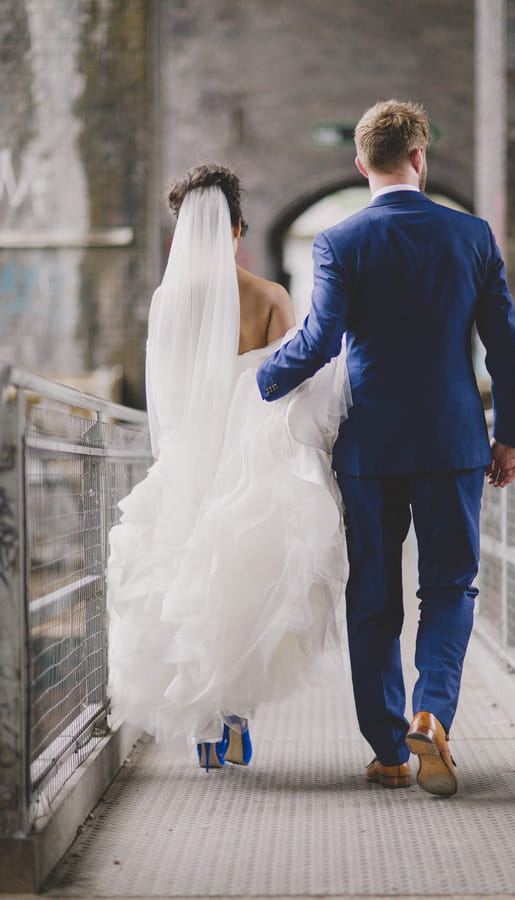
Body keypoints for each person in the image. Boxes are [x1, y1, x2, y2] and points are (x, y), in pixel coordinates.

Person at [257, 100, 515, 796]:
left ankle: (387, 752)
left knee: (373, 597)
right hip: (452, 439)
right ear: (421, 157)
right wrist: (509, 435)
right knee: (449, 587)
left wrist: (260, 380)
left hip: (369, 444)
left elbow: (318, 343)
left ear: (361, 164)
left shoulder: (339, 240)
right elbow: (506, 348)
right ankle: (432, 714)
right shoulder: (471, 234)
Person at [107, 165, 350, 769]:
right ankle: (234, 718)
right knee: (241, 589)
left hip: (189, 458)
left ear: (180, 234)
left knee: (184, 585)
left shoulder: (167, 302)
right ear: (238, 229)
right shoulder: (270, 297)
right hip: (251, 458)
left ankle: (206, 732)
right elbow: (301, 389)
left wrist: (174, 457)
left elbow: (162, 397)